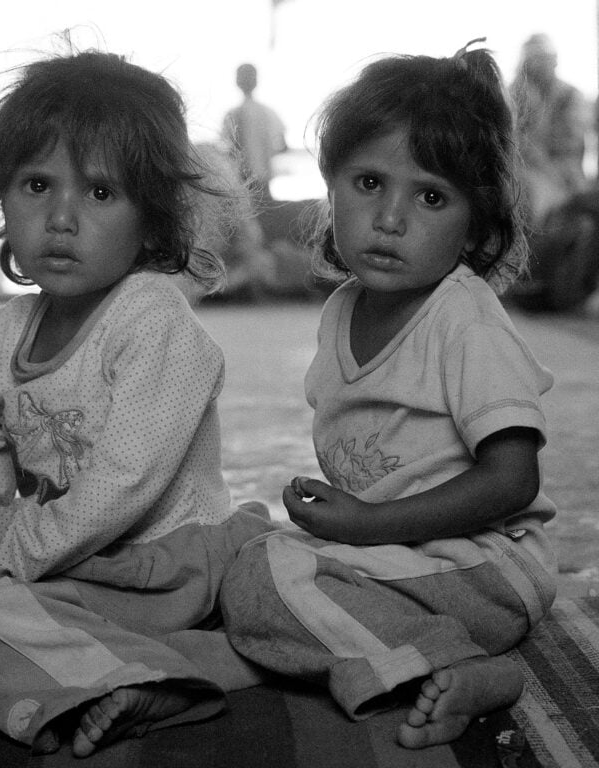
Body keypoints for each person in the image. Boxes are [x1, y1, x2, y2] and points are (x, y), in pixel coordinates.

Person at [0, 46, 274, 757]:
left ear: (153, 221)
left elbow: (121, 488)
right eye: (37, 185)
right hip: (78, 568)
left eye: (99, 193)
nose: (61, 217)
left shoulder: (154, 319)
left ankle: (144, 676)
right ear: (3, 197)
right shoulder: (4, 336)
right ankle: (66, 660)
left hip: (168, 562)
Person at [221, 41, 558, 750]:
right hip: (407, 555)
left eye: (431, 196)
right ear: (330, 184)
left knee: (264, 577)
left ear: (476, 221)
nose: (391, 217)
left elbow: (513, 476)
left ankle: (461, 663)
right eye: (368, 182)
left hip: (489, 563)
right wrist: (355, 522)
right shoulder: (343, 309)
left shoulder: (462, 319)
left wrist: (367, 527)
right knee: (233, 540)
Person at [510, 33, 589, 223]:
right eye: (532, 60)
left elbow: (569, 144)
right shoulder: (516, 93)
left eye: (541, 59)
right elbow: (509, 139)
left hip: (562, 175)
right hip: (525, 172)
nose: (537, 65)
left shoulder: (569, 96)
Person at [221, 63, 287, 205]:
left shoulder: (232, 115)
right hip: (263, 179)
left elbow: (227, 149)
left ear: (237, 82)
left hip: (243, 180)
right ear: (256, 81)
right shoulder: (267, 112)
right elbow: (282, 144)